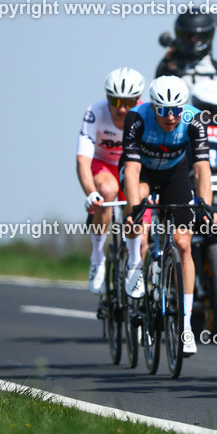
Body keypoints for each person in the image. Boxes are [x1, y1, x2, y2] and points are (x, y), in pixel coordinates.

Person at [120, 76, 217, 356]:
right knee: (135, 202)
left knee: (184, 244)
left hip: (176, 174)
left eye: (176, 109)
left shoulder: (194, 119)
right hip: (144, 173)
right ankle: (135, 264)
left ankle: (185, 326)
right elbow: (131, 169)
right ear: (152, 107)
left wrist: (205, 205)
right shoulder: (136, 118)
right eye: (163, 110)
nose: (171, 116)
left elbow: (201, 170)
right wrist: (135, 206)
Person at [76, 67, 145, 294]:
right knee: (107, 191)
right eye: (116, 102)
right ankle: (97, 257)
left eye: (128, 102)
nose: (122, 109)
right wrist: (90, 193)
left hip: (133, 168)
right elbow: (82, 160)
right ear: (107, 98)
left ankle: (134, 265)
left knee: (140, 231)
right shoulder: (95, 112)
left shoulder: (146, 113)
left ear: (138, 99)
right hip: (103, 166)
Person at [156, 11, 217, 95]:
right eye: (188, 37)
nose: (193, 41)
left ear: (206, 36)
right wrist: (168, 63)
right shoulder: (171, 67)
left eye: (198, 38)